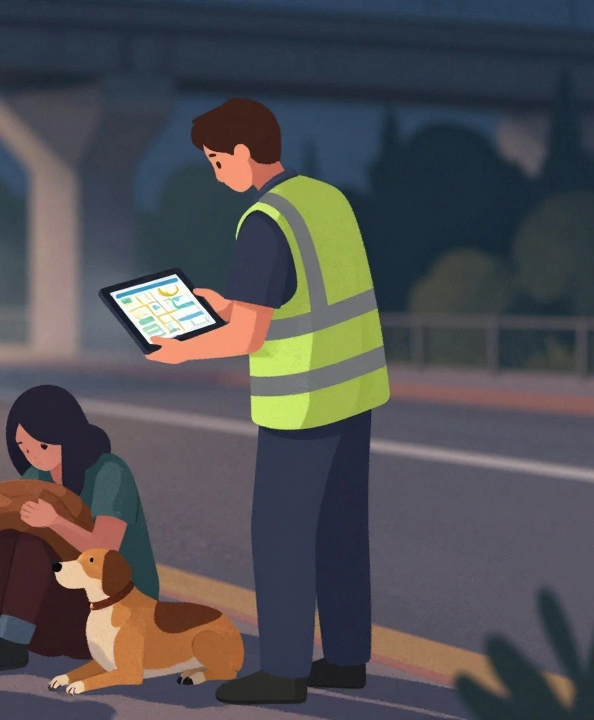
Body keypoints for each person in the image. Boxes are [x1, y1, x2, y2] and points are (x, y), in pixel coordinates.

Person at [146, 98, 390, 705]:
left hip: (302, 401)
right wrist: (227, 302)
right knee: (341, 532)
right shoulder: (324, 199)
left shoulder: (262, 221)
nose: (215, 171)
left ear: (244, 154)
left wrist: (185, 348)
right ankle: (345, 659)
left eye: (216, 160)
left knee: (282, 536)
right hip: (353, 390)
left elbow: (250, 337)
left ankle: (283, 672)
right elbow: (308, 293)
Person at [0, 384, 159, 672]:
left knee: (32, 546)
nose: (33, 455)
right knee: (4, 541)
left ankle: (12, 642)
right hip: (68, 596)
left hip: (118, 608)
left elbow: (105, 550)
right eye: (23, 447)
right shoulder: (38, 475)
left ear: (66, 436)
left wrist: (54, 521)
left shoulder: (110, 473)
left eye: (41, 445)